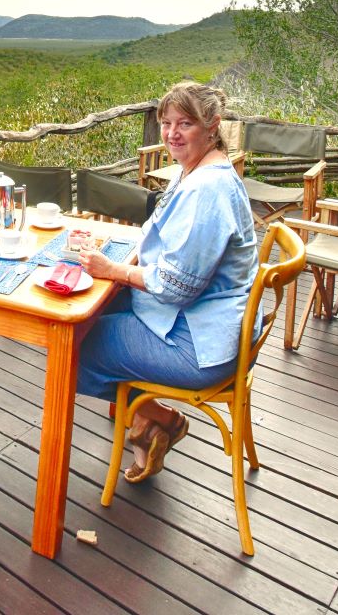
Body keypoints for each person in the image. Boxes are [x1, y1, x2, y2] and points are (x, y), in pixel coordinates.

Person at [76, 81, 257, 481]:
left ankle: (159, 420)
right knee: (98, 307)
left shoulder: (208, 190)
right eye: (166, 122)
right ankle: (146, 423)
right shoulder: (197, 171)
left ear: (213, 127)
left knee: (70, 344)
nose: (173, 133)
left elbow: (176, 286)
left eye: (186, 123)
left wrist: (115, 270)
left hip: (198, 345)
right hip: (213, 322)